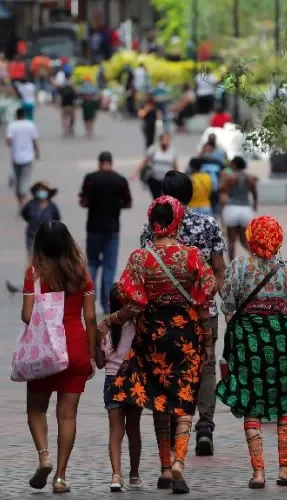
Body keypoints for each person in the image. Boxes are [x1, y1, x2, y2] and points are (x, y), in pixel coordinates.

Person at [100, 196, 218, 494]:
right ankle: (179, 460)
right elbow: (205, 300)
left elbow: (133, 306)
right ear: (177, 221)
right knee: (184, 399)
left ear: (153, 221)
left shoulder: (140, 258)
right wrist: (205, 340)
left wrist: (110, 320)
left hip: (152, 337)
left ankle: (165, 467)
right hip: (185, 336)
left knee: (160, 401)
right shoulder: (192, 256)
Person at [139, 171, 227, 457]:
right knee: (206, 365)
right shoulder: (208, 224)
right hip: (204, 308)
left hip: (164, 313)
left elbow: (145, 270)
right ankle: (205, 426)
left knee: (170, 365)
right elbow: (219, 268)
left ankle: (178, 424)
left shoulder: (152, 228)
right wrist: (216, 301)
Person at [217, 215, 287, 489]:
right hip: (280, 339)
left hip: (247, 340)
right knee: (283, 400)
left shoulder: (240, 266)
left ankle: (258, 473)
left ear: (251, 237)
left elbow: (227, 303)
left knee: (251, 397)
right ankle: (285, 469)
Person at [21, 221, 97, 494]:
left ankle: (44, 456)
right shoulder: (81, 273)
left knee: (36, 410)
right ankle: (61, 477)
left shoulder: (34, 273)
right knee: (67, 416)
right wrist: (93, 354)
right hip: (75, 347)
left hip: (44, 349)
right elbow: (90, 317)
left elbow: (27, 316)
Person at [96, 284, 143, 492]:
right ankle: (134, 474)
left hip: (112, 380)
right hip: (134, 380)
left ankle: (116, 475)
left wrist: (96, 342)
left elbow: (99, 363)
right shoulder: (137, 326)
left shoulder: (107, 330)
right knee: (134, 429)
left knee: (115, 430)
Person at [79, 151, 133, 314]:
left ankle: (88, 301)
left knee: (93, 264)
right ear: (111, 162)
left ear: (99, 162)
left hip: (93, 229)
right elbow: (128, 203)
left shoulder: (90, 179)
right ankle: (107, 304)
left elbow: (84, 201)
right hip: (112, 229)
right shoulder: (120, 180)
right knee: (109, 267)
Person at [220, 157, 259, 260]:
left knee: (231, 240)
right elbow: (254, 193)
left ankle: (231, 265)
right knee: (244, 239)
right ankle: (256, 261)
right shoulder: (250, 177)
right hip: (246, 210)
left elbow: (222, 192)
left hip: (231, 208)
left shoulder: (229, 177)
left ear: (234, 165)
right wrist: (255, 205)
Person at [6, 107, 40, 210]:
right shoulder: (30, 125)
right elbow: (34, 140)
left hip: (16, 158)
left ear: (16, 115)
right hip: (28, 157)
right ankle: (24, 203)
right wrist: (37, 152)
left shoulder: (12, 126)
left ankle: (21, 204)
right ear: (24, 115)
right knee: (25, 180)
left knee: (18, 180)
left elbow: (8, 141)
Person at [21, 181, 61, 255]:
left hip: (47, 237)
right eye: (39, 190)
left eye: (43, 190)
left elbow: (57, 219)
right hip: (32, 236)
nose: (41, 192)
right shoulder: (31, 204)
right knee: (32, 257)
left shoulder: (52, 206)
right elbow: (24, 214)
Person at [137, 132, 178, 199]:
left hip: (167, 180)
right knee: (156, 198)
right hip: (154, 179)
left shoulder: (172, 151)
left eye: (168, 139)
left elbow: (175, 165)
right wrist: (137, 171)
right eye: (165, 139)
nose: (166, 141)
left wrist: (178, 177)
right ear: (160, 140)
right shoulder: (153, 149)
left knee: (166, 198)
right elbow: (145, 161)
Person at [198, 140, 224, 214]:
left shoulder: (218, 162)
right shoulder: (198, 161)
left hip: (215, 189)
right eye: (205, 149)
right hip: (202, 190)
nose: (207, 151)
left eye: (209, 149)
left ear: (213, 150)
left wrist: (221, 184)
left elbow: (225, 172)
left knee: (214, 207)